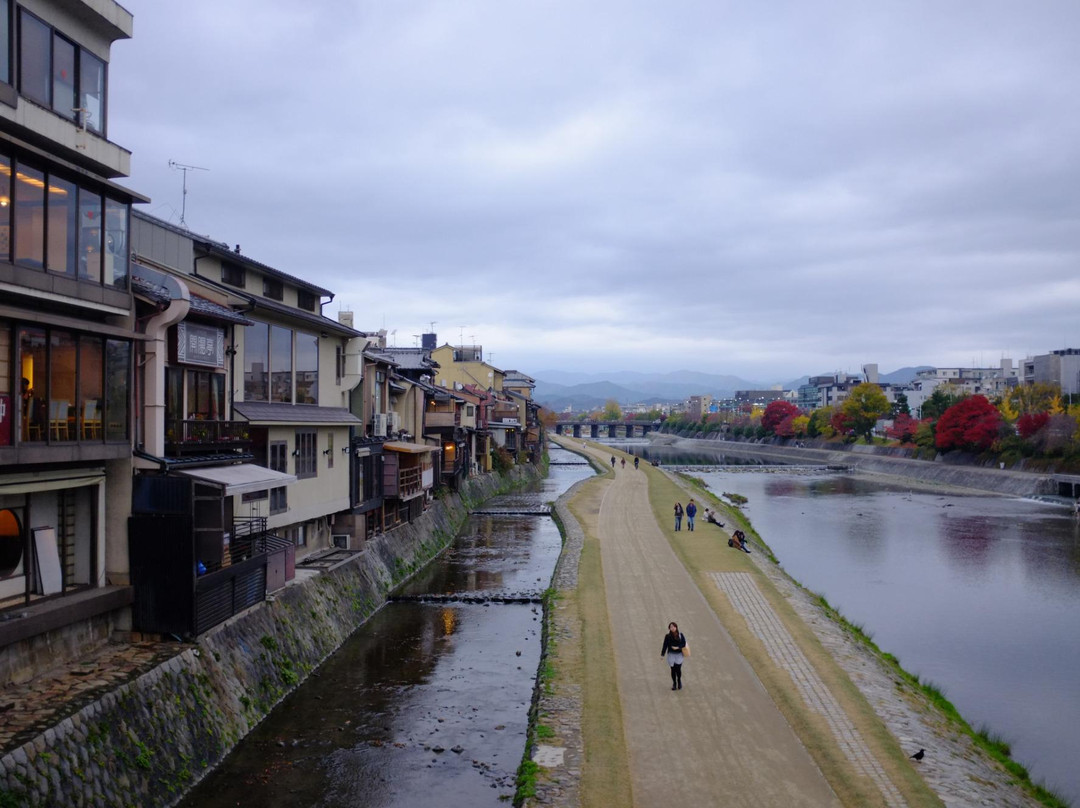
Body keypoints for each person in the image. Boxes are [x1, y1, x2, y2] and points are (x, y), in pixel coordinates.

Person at [661, 622, 687, 690]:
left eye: (673, 626)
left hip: (679, 655)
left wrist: (677, 647)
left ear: (676, 627)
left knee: (678, 669)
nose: (672, 628)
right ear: (669, 628)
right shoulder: (667, 636)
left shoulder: (681, 635)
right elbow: (665, 645)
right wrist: (662, 654)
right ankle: (674, 683)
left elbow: (683, 644)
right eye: (671, 627)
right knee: (673, 670)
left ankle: (679, 681)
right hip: (671, 655)